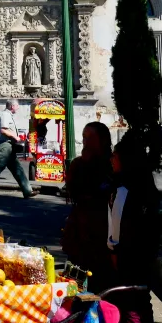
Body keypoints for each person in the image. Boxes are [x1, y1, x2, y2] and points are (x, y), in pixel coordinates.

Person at [105, 134, 160, 323]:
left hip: (127, 253)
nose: (111, 160)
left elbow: (115, 225)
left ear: (123, 159)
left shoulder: (123, 188)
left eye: (114, 156)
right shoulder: (145, 186)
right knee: (143, 301)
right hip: (145, 252)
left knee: (130, 305)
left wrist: (113, 249)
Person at [61, 121, 113, 288]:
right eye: (84, 137)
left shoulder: (111, 164)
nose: (85, 142)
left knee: (101, 280)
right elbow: (73, 192)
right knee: (75, 278)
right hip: (80, 230)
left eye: (90, 138)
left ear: (103, 140)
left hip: (103, 232)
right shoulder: (78, 164)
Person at [0, 99, 35, 198]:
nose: (18, 108)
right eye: (17, 106)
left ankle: (27, 191)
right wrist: (15, 137)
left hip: (9, 145)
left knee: (17, 169)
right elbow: (3, 130)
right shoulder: (5, 115)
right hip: (5, 145)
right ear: (12, 106)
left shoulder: (9, 115)